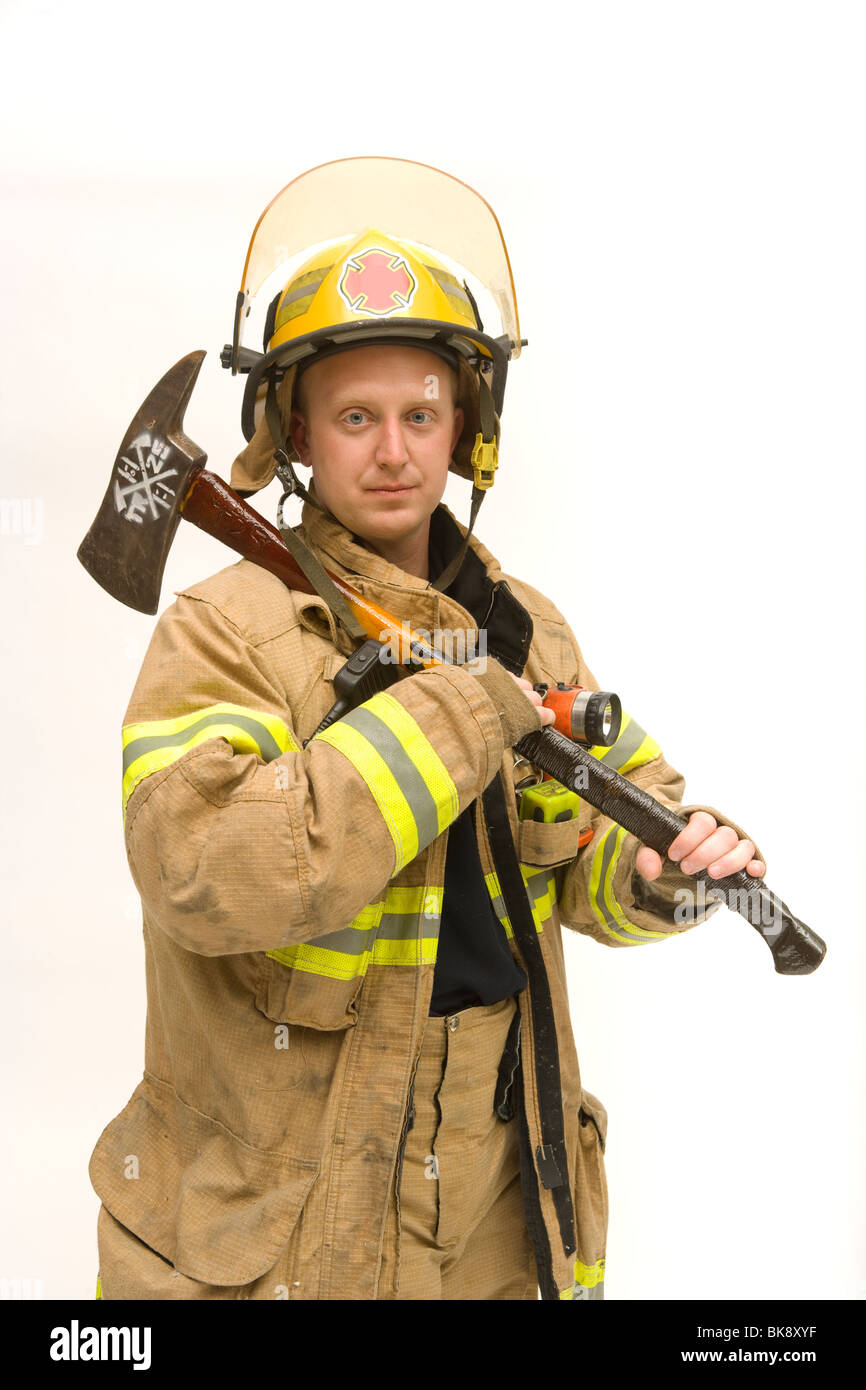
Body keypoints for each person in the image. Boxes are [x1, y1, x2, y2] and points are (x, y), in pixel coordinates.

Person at [89, 160, 764, 1301]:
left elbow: (584, 861)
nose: (392, 452)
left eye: (419, 414)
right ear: (295, 429)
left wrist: (657, 871)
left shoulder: (526, 634)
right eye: (355, 417)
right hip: (289, 1220)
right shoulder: (229, 635)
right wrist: (458, 705)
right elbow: (205, 872)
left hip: (496, 1199)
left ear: (467, 429)